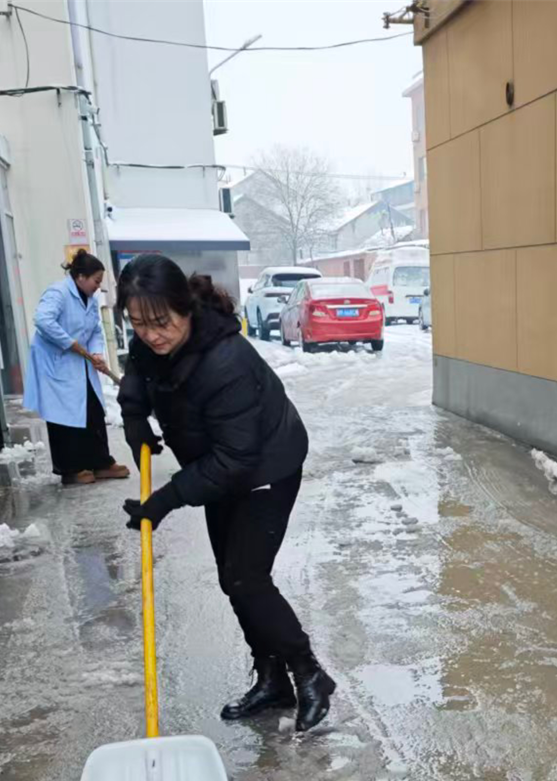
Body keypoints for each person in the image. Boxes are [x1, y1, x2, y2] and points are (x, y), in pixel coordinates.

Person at [114, 254, 334, 733]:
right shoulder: (152, 341)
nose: (151, 334)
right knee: (231, 578)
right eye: (138, 323)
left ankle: (309, 672)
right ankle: (272, 678)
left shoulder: (225, 361)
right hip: (217, 467)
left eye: (160, 322)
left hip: (265, 467)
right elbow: (138, 375)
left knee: (246, 578)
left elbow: (236, 459)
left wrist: (167, 499)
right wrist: (135, 421)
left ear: (185, 308)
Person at [25, 250, 127, 488]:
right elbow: (43, 320)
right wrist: (69, 342)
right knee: (65, 417)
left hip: (79, 363)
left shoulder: (89, 300)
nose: (98, 286)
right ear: (80, 276)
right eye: (96, 281)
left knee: (93, 408)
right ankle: (70, 469)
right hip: (56, 363)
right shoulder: (58, 293)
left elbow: (94, 331)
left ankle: (100, 463)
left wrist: (97, 353)